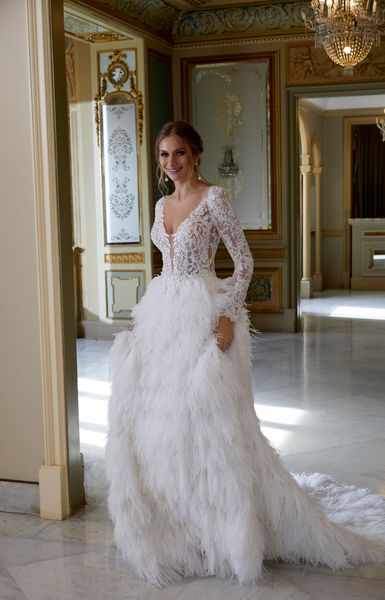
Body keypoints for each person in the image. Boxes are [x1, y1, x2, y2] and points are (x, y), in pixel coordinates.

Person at [106, 120, 385, 586]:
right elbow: (165, 266)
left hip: (202, 311)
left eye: (178, 154)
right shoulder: (160, 204)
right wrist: (143, 316)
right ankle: (182, 528)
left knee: (208, 427)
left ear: (195, 154)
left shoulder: (214, 198)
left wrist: (227, 315)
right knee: (163, 425)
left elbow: (244, 261)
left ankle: (225, 530)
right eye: (163, 156)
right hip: (163, 312)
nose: (171, 163)